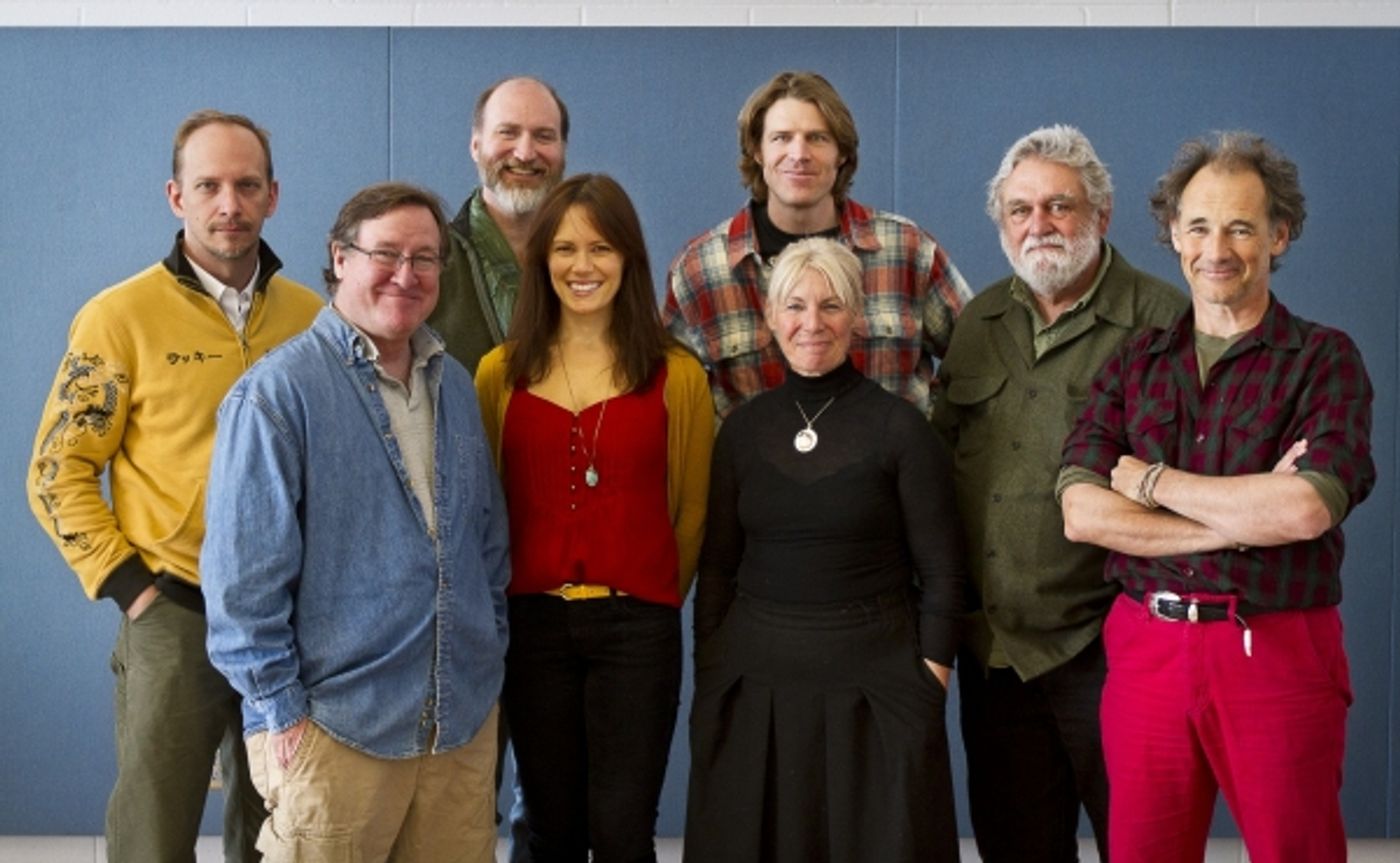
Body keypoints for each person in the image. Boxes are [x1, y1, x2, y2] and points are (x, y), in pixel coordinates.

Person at [1059, 132, 1374, 863]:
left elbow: (1303, 510)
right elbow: (1081, 512)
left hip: (1278, 651)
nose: (1216, 247)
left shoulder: (1324, 359)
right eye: (1198, 225)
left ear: (1279, 234)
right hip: (1147, 651)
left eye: (1241, 226)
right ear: (1173, 233)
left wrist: (1149, 482)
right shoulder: (1136, 363)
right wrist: (1238, 518)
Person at [25, 109, 321, 863]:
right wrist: (132, 589)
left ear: (273, 196)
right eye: (209, 185)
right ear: (175, 196)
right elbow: (57, 469)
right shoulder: (119, 317)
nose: (230, 203)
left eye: (247, 184)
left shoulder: (313, 320)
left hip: (291, 628)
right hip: (174, 613)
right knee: (151, 841)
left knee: (282, 835)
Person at [202, 182, 510, 863]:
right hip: (335, 731)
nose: (407, 274)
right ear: (340, 258)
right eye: (387, 253)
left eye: (426, 257)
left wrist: (486, 647)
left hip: (457, 728)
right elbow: (241, 587)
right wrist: (280, 713)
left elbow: (484, 543)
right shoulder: (278, 395)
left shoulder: (455, 383)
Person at [932, 125, 1186, 862]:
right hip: (998, 655)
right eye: (1019, 210)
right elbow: (945, 458)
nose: (1037, 225)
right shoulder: (978, 322)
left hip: (1113, 648)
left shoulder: (1159, 321)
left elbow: (1186, 489)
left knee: (1141, 846)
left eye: (1059, 206)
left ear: (1101, 216)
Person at [686, 237, 965, 863]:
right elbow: (719, 566)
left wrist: (929, 684)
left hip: (879, 692)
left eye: (832, 306)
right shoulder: (743, 430)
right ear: (771, 318)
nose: (812, 324)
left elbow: (944, 572)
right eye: (796, 306)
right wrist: (712, 673)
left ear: (858, 317)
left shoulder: (902, 430)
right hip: (754, 689)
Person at [474, 173, 713, 863]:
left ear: (630, 259)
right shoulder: (500, 374)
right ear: (541, 259)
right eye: (565, 248)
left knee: (622, 830)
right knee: (549, 826)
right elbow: (490, 507)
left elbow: (691, 511)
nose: (583, 266)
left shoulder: (677, 375)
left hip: (637, 628)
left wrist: (646, 588)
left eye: (602, 248)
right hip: (532, 628)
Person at [662, 70, 971, 420]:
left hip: (894, 472)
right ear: (757, 152)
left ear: (841, 154)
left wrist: (938, 441)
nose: (799, 153)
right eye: (781, 138)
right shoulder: (700, 271)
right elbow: (672, 402)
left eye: (817, 138)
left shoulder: (907, 252)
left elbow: (984, 362)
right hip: (757, 473)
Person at [431, 75, 569, 373]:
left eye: (544, 136)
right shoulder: (429, 263)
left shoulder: (600, 263)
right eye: (508, 133)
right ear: (476, 146)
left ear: (563, 150)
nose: (525, 153)